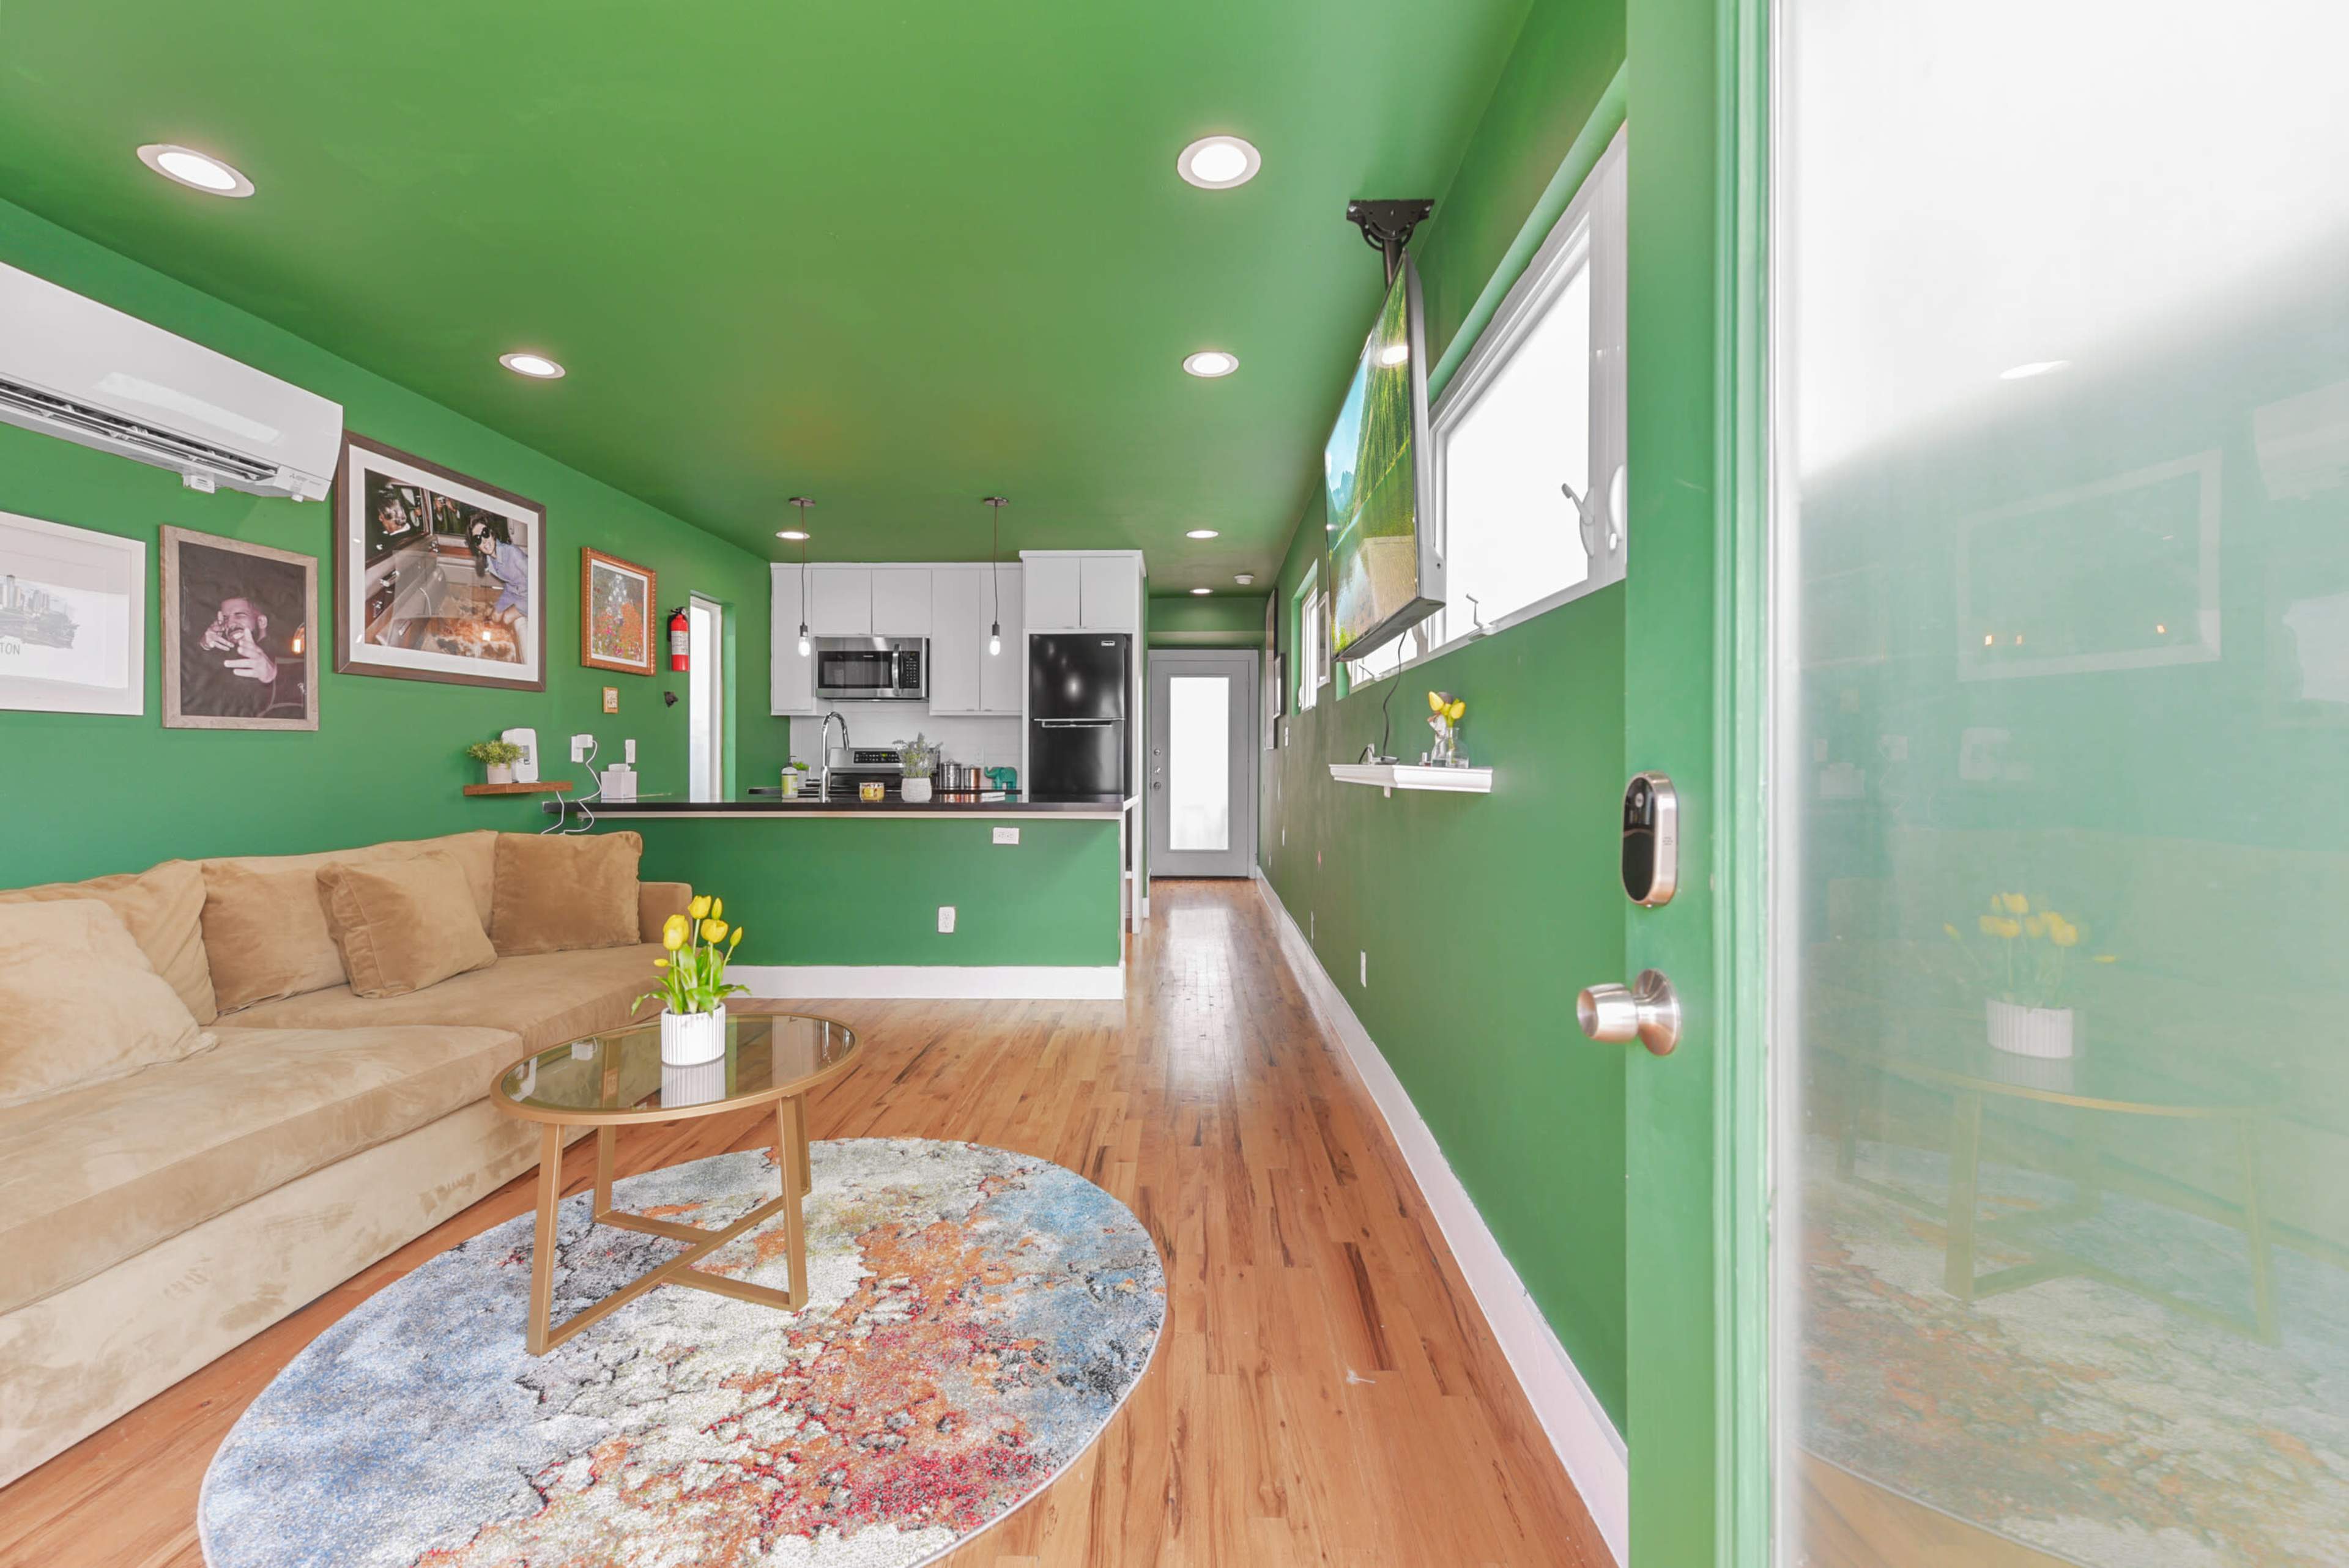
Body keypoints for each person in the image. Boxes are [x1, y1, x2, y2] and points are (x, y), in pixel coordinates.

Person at [185, 585, 304, 719]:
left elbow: (309, 701)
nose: (230, 624)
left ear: (261, 621)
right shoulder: (223, 656)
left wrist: (275, 676)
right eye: (225, 618)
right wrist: (204, 646)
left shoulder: (291, 653)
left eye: (240, 615)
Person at [466, 517, 531, 625]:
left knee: (506, 618)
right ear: (477, 547)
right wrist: (498, 607)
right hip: (513, 592)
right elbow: (510, 585)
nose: (484, 541)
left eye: (485, 533)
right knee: (495, 617)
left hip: (530, 594)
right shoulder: (490, 561)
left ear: (492, 533)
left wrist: (526, 605)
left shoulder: (512, 552)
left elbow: (536, 579)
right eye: (478, 539)